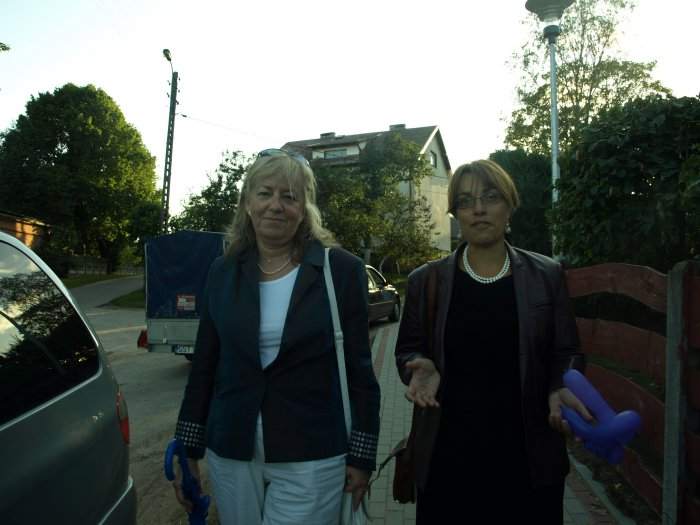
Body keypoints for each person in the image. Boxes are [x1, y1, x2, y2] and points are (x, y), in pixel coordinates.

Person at [172, 148, 380, 524]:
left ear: (304, 208)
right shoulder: (223, 272)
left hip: (312, 453)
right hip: (232, 447)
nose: (276, 205)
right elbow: (205, 365)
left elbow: (360, 371)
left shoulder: (340, 270)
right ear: (247, 203)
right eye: (265, 193)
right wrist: (187, 446)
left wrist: (362, 455)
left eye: (289, 196)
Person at [395, 159, 592, 524]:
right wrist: (416, 368)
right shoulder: (427, 280)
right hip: (448, 459)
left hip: (529, 459)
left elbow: (567, 350)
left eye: (490, 197)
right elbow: (408, 348)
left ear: (509, 206)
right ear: (456, 213)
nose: (479, 209)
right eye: (465, 201)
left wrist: (559, 386)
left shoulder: (546, 275)